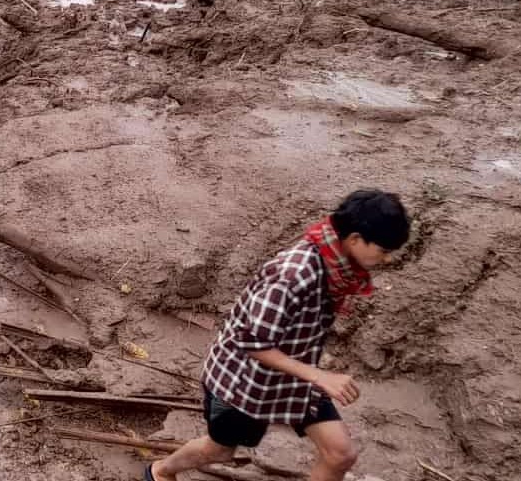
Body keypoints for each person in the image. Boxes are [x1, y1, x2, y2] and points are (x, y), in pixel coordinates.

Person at [147, 191, 411, 481]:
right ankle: (160, 471)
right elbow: (252, 342)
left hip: (293, 378)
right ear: (355, 239)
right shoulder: (293, 275)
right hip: (243, 383)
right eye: (384, 250)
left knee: (340, 454)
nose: (386, 259)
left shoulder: (337, 267)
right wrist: (319, 376)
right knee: (219, 451)